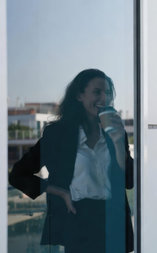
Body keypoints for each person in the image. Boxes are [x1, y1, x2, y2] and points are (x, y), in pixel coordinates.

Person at [9, 69, 134, 253]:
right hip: (77, 219)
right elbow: (18, 175)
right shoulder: (58, 134)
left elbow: (129, 182)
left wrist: (117, 143)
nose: (103, 99)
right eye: (97, 92)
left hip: (113, 219)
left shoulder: (115, 132)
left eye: (107, 93)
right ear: (79, 96)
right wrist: (56, 190)